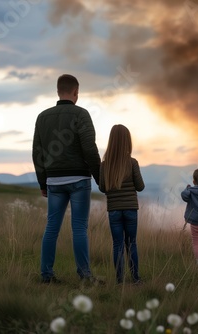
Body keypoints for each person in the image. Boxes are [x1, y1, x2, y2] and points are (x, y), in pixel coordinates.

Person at [32, 74, 101, 284]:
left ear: (57, 91)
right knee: (79, 228)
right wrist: (99, 177)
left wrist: (43, 182)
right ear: (76, 92)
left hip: (54, 181)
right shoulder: (82, 114)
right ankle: (85, 275)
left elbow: (37, 153)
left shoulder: (42, 117)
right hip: (79, 179)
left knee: (51, 227)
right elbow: (89, 148)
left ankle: (46, 275)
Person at [99, 124, 145, 284]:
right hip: (131, 209)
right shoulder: (132, 163)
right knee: (132, 244)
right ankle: (136, 279)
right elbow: (140, 186)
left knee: (117, 244)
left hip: (114, 210)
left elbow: (103, 188)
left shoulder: (105, 165)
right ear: (127, 142)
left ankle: (119, 281)